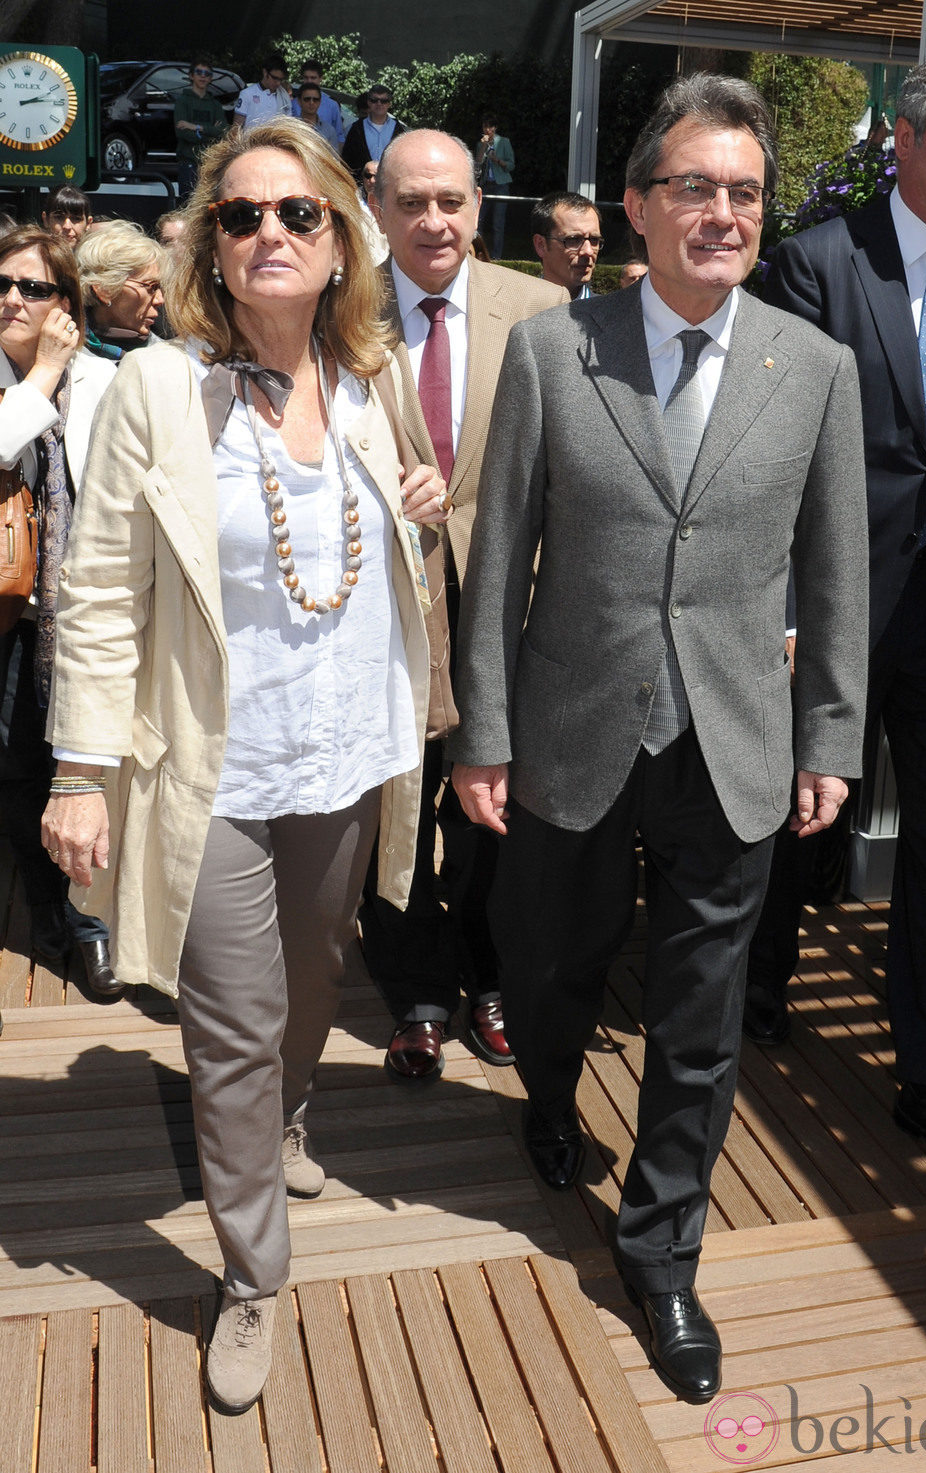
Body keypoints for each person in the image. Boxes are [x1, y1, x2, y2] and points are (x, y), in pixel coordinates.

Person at [449, 74, 868, 1403]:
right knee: (558, 963)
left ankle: (665, 1252)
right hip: (577, 727)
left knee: (700, 1017)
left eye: (744, 191)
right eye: (695, 186)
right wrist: (486, 735)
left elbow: (838, 571)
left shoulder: (817, 369)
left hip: (734, 738)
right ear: (636, 205)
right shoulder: (551, 352)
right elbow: (499, 550)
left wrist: (831, 738)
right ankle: (553, 1097)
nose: (723, 212)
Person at [40, 116, 445, 1413]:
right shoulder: (158, 388)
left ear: (339, 243)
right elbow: (96, 587)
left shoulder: (371, 376)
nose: (269, 233)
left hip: (350, 746)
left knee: (318, 972)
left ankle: (283, 1122)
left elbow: (384, 544)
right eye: (241, 215)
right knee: (231, 1021)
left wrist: (418, 516)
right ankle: (252, 1270)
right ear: (211, 245)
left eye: (298, 215)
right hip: (209, 762)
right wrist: (77, 769)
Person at [749, 50, 926, 1189]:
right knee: (798, 825)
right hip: (831, 615)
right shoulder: (815, 267)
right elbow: (767, 455)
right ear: (902, 137)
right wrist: (786, 607)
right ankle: (754, 990)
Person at [358, 129, 567, 1081]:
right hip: (381, 618)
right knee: (394, 808)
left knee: (491, 813)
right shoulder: (337, 311)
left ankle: (487, 975)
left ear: (481, 206)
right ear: (380, 205)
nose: (434, 221)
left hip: (507, 613)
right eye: (412, 202)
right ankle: (417, 994)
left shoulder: (545, 309)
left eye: (451, 201)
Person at [0, 227, 119, 996]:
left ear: (69, 305)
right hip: (6, 619)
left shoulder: (110, 383)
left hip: (87, 615)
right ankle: (46, 908)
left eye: (32, 288)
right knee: (18, 771)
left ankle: (96, 923)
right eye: (1, 284)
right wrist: (39, 375)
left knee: (90, 767)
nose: (11, 298)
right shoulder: (35, 376)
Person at [75, 223, 167, 360]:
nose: (160, 300)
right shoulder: (64, 360)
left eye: (161, 287)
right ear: (104, 290)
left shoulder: (169, 360)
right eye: (151, 287)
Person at [531, 191, 604, 298]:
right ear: (541, 245)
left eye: (594, 240)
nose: (588, 251)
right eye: (573, 240)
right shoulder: (516, 311)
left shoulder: (613, 313)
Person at [174, 58, 228, 199]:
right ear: (192, 75)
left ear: (210, 78)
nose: (203, 76)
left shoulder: (215, 104)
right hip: (188, 164)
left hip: (210, 165)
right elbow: (182, 132)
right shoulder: (182, 101)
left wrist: (195, 127)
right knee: (187, 208)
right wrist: (210, 134)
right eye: (199, 72)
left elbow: (223, 131)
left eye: (207, 73)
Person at [341, 85, 405, 175]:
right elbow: (347, 160)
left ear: (389, 104)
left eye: (384, 101)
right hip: (362, 185)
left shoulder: (399, 130)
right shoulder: (356, 129)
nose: (379, 104)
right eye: (374, 100)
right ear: (369, 102)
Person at [475, 114, 514, 260]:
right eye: (485, 126)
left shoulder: (504, 142)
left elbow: (511, 165)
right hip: (485, 185)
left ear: (495, 128)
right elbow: (477, 163)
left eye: (490, 127)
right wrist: (483, 146)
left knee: (498, 223)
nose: (487, 129)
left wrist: (498, 160)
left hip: (500, 185)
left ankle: (497, 257)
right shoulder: (481, 144)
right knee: (478, 222)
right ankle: (480, 254)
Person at [231, 52, 291, 137]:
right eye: (275, 78)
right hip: (251, 145)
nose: (278, 83)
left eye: (281, 79)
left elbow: (288, 126)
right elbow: (236, 128)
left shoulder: (284, 96)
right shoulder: (247, 94)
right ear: (265, 72)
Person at [290, 59, 345, 151]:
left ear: (320, 78)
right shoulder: (294, 103)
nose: (309, 81)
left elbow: (339, 136)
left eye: (313, 78)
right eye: (306, 78)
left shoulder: (332, 105)